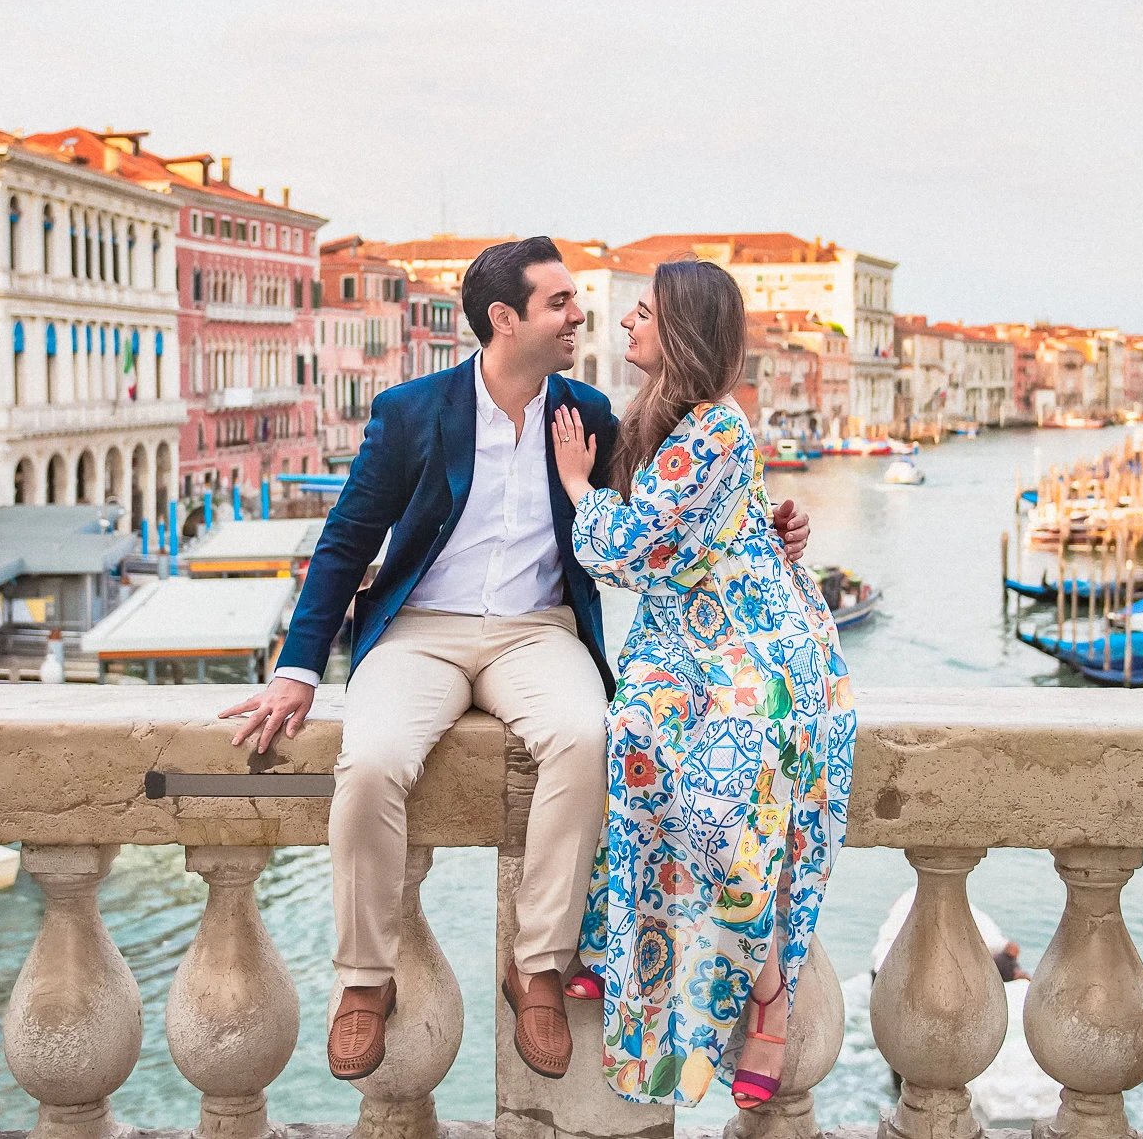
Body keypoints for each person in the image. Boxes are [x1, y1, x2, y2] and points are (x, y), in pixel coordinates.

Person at [217, 238, 810, 1085]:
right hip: (421, 628)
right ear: (505, 319)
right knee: (373, 761)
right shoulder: (411, 410)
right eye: (561, 303)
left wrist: (771, 532)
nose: (581, 315)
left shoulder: (591, 414)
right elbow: (347, 538)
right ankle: (362, 981)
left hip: (537, 630)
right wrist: (298, 667)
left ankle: (536, 963)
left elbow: (672, 512)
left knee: (583, 736)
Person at [549, 259, 855, 1110]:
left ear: (679, 332)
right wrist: (779, 523)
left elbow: (628, 549)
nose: (624, 324)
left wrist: (578, 487)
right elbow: (719, 524)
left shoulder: (717, 427)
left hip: (755, 643)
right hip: (680, 642)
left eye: (641, 313)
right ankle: (622, 953)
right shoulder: (656, 421)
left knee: (722, 804)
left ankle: (768, 990)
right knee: (636, 739)